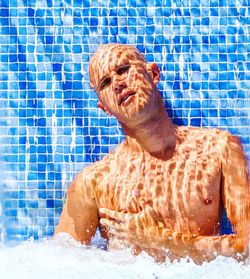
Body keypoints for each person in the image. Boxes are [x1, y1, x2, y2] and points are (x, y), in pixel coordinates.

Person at [54, 44, 249, 263]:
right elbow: (59, 265)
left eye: (123, 69)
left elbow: (248, 248)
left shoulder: (219, 149)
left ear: (153, 73)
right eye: (106, 83)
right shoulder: (94, 183)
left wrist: (164, 240)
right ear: (105, 108)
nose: (117, 83)